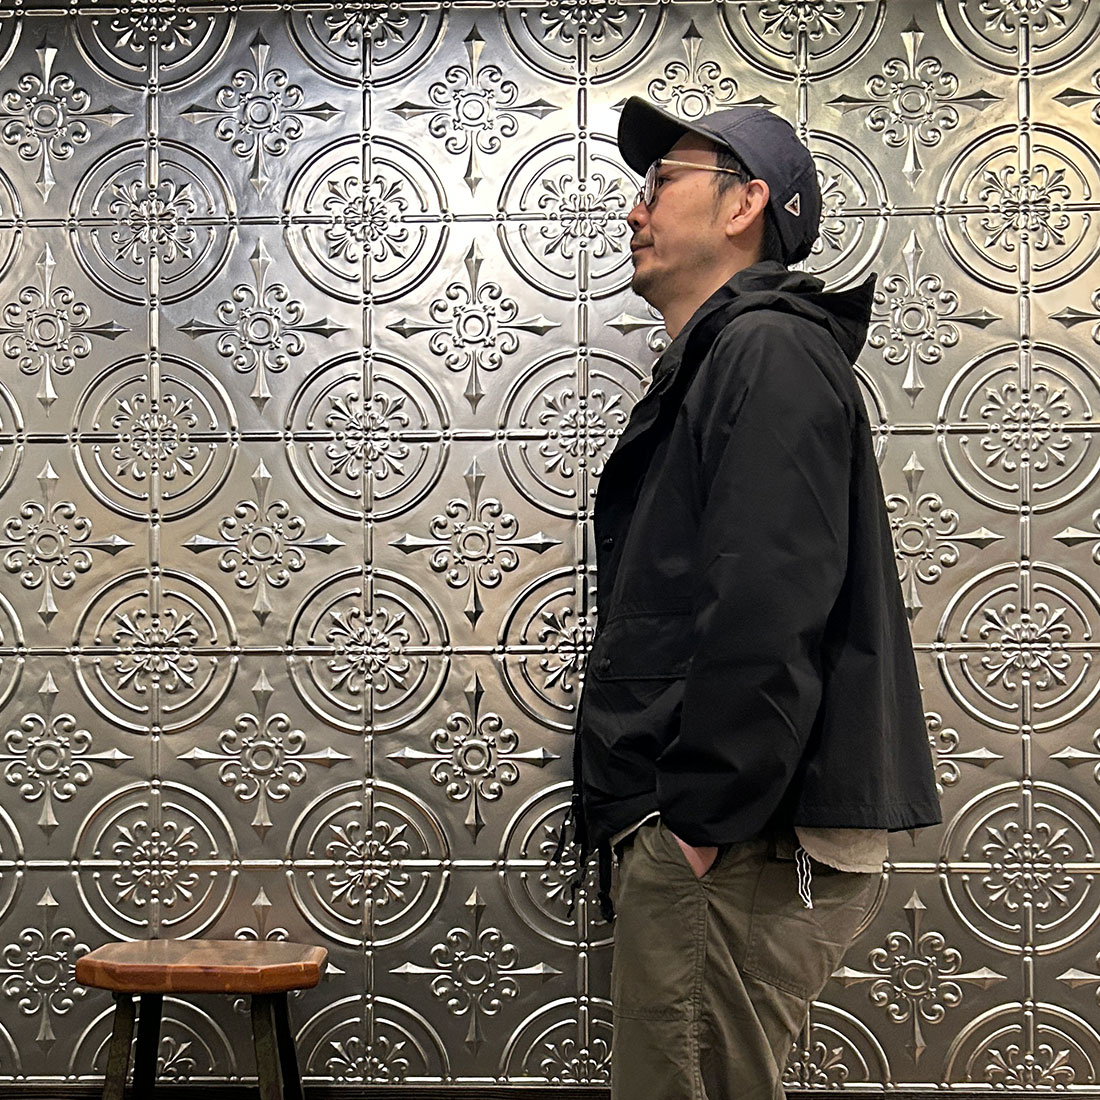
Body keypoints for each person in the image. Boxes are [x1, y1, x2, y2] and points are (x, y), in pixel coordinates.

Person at [560, 98, 942, 1099]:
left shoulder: (764, 351)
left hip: (736, 842)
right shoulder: (732, 357)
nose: (635, 209)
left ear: (744, 204)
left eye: (661, 182)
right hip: (730, 838)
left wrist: (698, 826)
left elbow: (770, 603)